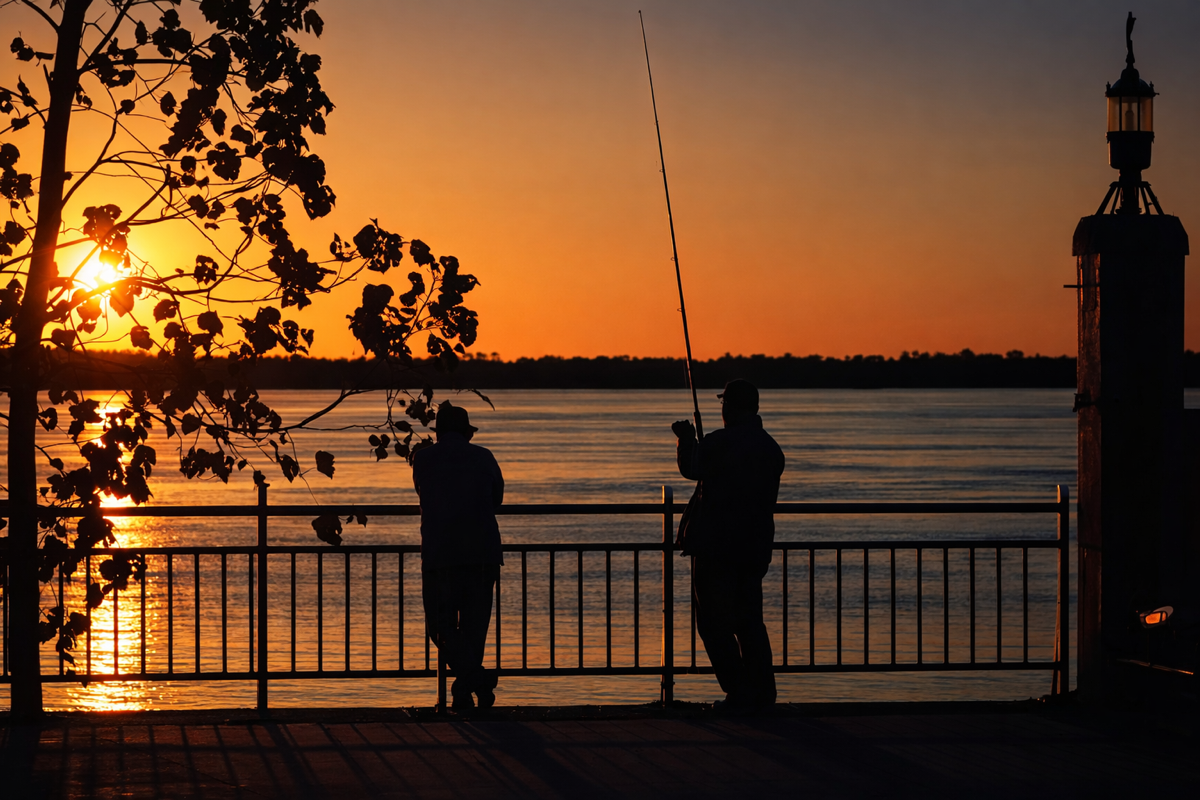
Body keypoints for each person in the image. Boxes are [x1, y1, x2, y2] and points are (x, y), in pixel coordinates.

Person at [672, 379, 785, 713]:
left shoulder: (720, 443)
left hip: (716, 547)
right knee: (749, 622)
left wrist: (686, 440)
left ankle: (739, 692)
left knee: (713, 624)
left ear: (729, 407)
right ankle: (763, 693)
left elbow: (690, 468)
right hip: (754, 547)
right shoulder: (770, 447)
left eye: (723, 404)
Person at [412, 401, 504, 712]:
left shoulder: (422, 459)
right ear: (466, 432)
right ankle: (474, 683)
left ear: (437, 432)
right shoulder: (483, 457)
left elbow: (420, 494)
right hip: (482, 553)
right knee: (475, 628)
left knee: (439, 626)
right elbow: (497, 499)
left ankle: (467, 688)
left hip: (440, 555)